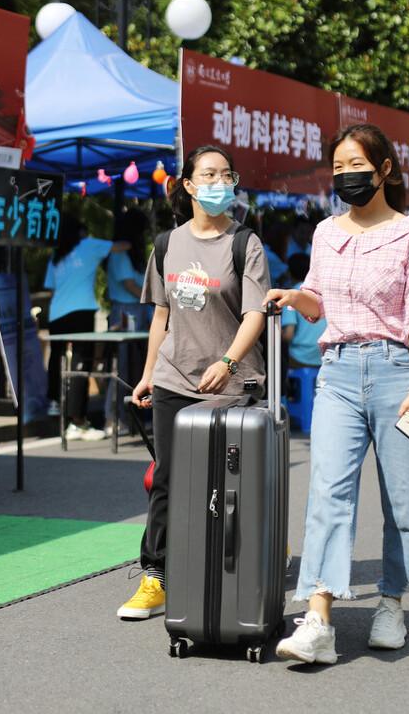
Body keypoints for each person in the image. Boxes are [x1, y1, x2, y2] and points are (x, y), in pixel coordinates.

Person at [267, 123, 409, 664]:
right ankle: (318, 620)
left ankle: (391, 603)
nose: (346, 176)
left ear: (384, 169)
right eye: (339, 167)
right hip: (339, 373)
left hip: (397, 372)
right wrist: (294, 297)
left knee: (403, 499)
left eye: (357, 166)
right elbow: (318, 300)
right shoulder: (326, 232)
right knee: (328, 491)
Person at [121, 145, 269, 620]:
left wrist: (228, 362)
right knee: (167, 477)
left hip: (234, 382)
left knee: (233, 483)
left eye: (226, 175)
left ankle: (248, 561)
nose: (218, 183)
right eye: (208, 175)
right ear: (187, 185)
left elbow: (255, 314)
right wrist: (148, 375)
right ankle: (155, 576)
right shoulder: (167, 245)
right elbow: (160, 316)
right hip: (175, 377)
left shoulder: (245, 243)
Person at [44, 215, 130, 441]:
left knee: (57, 358)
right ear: (80, 232)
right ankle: (77, 420)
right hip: (81, 311)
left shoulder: (56, 254)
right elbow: (121, 246)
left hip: (56, 312)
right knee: (80, 363)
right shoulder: (89, 245)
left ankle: (54, 402)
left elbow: (50, 288)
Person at [104, 208, 153, 435]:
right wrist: (153, 298)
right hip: (126, 312)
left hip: (138, 310)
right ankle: (113, 417)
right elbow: (129, 285)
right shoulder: (120, 254)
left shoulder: (131, 254)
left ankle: (132, 417)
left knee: (136, 366)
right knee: (122, 366)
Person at [280, 253, 327, 369]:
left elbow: (288, 334)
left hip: (300, 357)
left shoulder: (291, 295)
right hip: (324, 355)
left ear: (289, 272)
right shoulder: (323, 291)